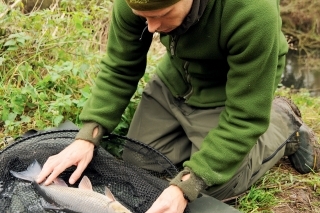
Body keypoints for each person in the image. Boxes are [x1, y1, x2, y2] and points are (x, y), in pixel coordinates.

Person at [37, 0, 319, 212]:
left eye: (160, 16)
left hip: (233, 87)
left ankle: (284, 123)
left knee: (215, 185)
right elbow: (120, 68)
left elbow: (244, 118)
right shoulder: (136, 2)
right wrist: (88, 135)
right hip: (177, 79)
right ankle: (199, 135)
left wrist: (189, 183)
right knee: (138, 162)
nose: (151, 28)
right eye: (143, 17)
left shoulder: (252, 13)